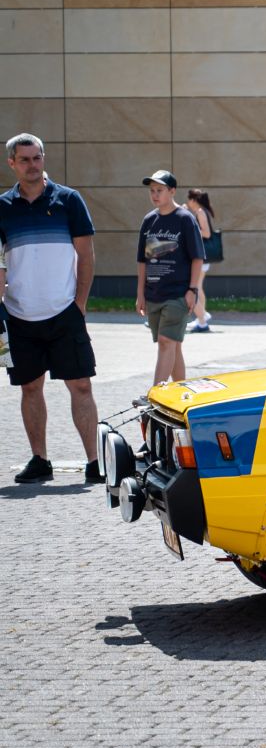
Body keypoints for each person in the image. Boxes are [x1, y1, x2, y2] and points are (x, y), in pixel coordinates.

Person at [0, 133, 102, 485]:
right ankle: (40, 460)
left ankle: (95, 462)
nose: (32, 165)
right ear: (12, 163)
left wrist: (80, 304)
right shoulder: (3, 207)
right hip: (18, 316)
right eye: (24, 159)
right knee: (30, 388)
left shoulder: (68, 200)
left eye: (37, 157)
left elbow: (86, 255)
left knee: (81, 387)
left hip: (64, 313)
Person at [136, 170, 206, 388]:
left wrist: (192, 290)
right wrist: (140, 294)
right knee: (173, 346)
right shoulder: (149, 220)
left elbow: (197, 257)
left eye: (160, 190)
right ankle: (181, 395)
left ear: (172, 191)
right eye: (152, 191)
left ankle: (155, 394)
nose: (155, 195)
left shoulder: (185, 219)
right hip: (154, 294)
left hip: (178, 294)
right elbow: (142, 261)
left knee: (166, 342)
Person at [185, 188, 217, 333]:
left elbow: (206, 233)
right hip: (203, 257)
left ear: (193, 200)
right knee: (198, 287)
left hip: (201, 257)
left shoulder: (200, 212)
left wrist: (191, 229)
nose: (188, 203)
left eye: (189, 200)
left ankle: (202, 319)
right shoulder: (202, 211)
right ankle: (201, 317)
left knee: (194, 289)